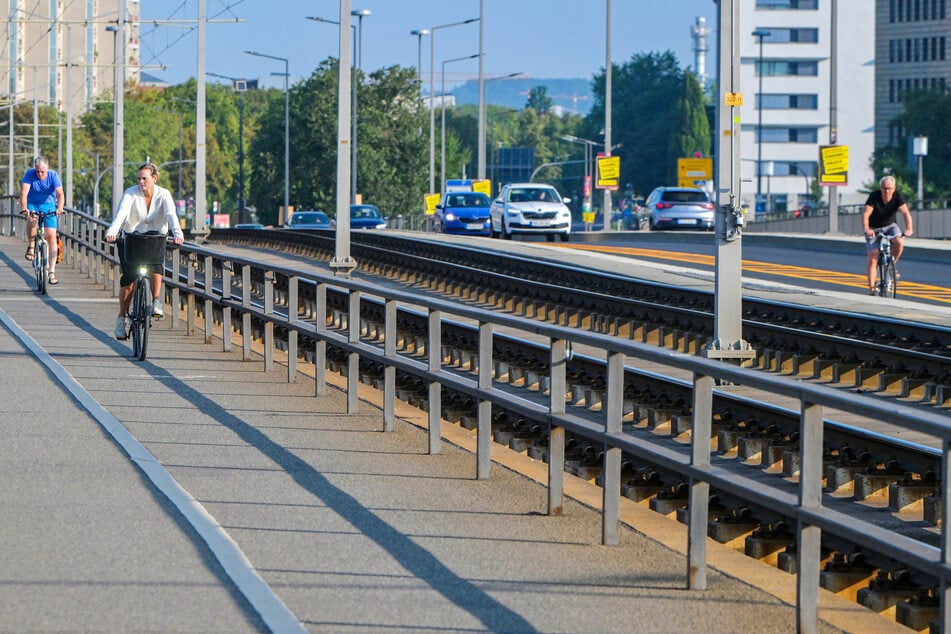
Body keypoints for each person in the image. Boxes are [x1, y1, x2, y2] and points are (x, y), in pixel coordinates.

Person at [105, 163, 185, 339]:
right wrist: (112, 232)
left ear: (154, 179)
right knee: (129, 280)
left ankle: (156, 301)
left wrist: (178, 234)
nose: (141, 182)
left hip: (155, 237)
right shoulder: (130, 193)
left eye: (145, 179)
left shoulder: (164, 195)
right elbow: (121, 213)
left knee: (156, 264)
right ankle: (121, 318)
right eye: (139, 179)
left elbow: (171, 214)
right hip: (132, 237)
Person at [862, 175, 914, 295]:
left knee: (899, 242)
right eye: (884, 188)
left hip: (890, 226)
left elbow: (905, 213)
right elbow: (866, 214)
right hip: (873, 228)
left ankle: (891, 266)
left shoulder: (897, 196)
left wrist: (909, 228)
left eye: (889, 188)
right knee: (873, 256)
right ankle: (872, 289)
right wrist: (867, 229)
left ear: (894, 188)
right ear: (880, 188)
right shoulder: (874, 196)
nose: (887, 191)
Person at [20, 156, 65, 285]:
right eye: (38, 171)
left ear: (48, 169)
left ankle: (51, 271)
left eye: (42, 172)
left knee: (51, 236)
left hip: (48, 205)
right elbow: (24, 192)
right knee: (32, 221)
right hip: (33, 204)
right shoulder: (29, 174)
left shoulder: (53, 176)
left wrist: (60, 208)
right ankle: (31, 245)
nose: (40, 174)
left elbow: (60, 193)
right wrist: (24, 208)